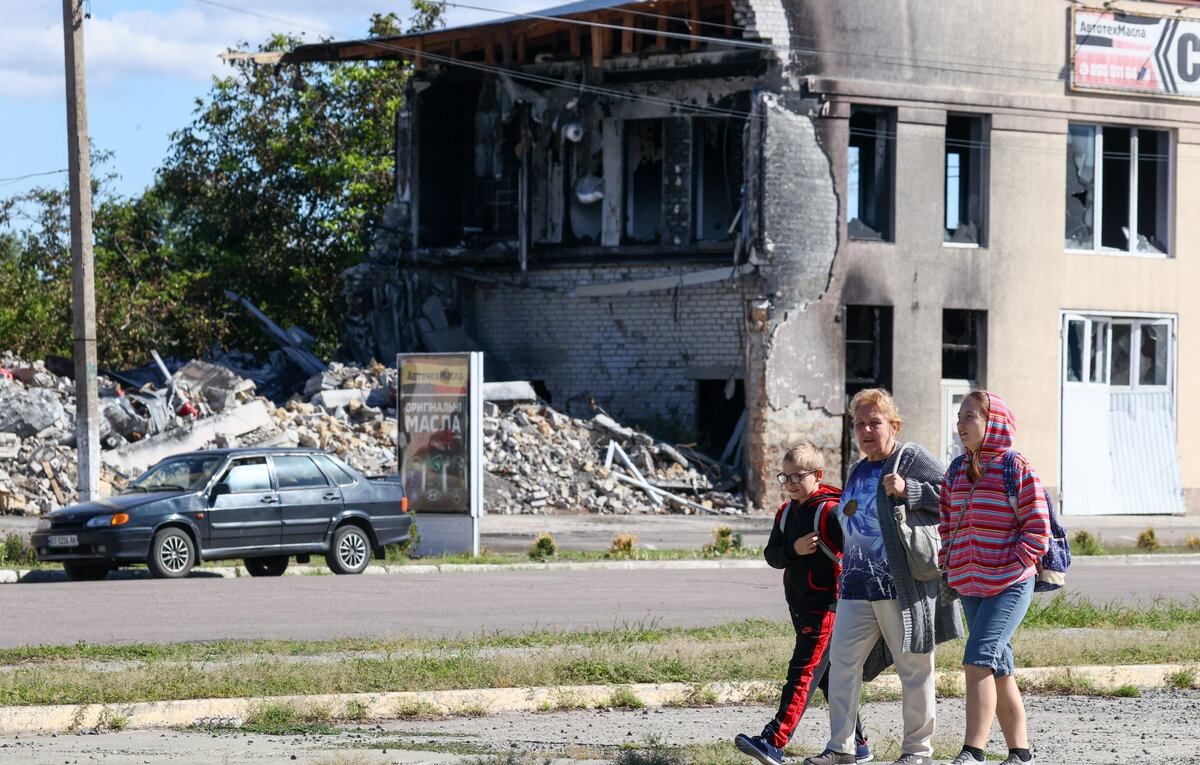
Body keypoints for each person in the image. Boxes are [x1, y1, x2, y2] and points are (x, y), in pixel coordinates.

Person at [805, 388, 962, 765]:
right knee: (842, 665)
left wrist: (912, 490)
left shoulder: (912, 459)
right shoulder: (859, 468)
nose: (866, 430)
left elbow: (955, 496)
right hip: (856, 587)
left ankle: (917, 752)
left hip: (900, 587)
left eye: (874, 422)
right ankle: (841, 748)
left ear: (893, 424)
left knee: (914, 667)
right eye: (859, 424)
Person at [734, 442, 871, 765]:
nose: (792, 483)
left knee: (803, 674)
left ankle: (774, 741)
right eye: (786, 477)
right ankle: (859, 744)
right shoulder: (785, 512)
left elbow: (857, 551)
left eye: (799, 476)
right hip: (799, 605)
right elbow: (773, 555)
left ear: (818, 475)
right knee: (828, 676)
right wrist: (794, 549)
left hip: (828, 606)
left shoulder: (830, 509)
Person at [940, 391, 1049, 765]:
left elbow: (1037, 527)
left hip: (1010, 584)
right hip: (970, 584)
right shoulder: (955, 469)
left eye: (970, 416)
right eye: (959, 416)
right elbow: (946, 523)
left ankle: (973, 751)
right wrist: (949, 561)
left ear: (994, 423)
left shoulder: (1014, 466)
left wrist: (1015, 563)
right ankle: (1021, 753)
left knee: (978, 660)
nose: (961, 423)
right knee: (999, 667)